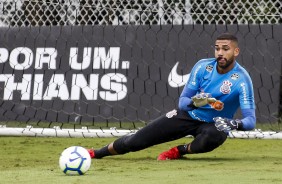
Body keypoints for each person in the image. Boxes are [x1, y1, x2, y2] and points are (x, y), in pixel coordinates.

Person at [87, 32, 256, 160]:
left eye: (225, 49)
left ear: (236, 51)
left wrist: (233, 123)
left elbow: (250, 121)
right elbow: (182, 102)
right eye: (217, 48)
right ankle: (96, 153)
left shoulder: (242, 79)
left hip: (214, 124)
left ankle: (179, 151)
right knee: (135, 142)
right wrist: (194, 103)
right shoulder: (203, 67)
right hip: (187, 116)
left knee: (214, 135)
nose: (220, 53)